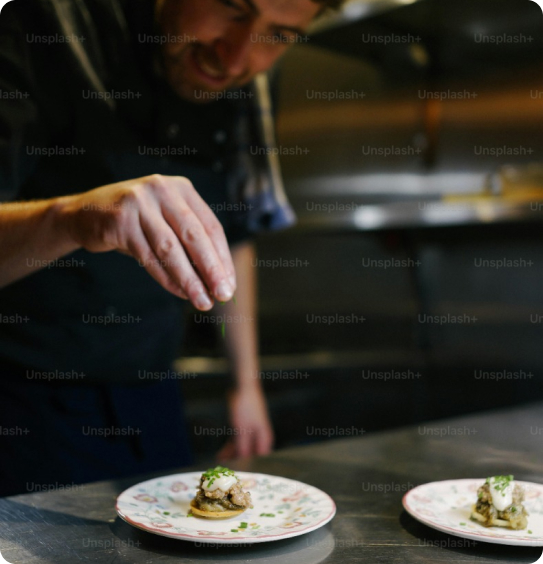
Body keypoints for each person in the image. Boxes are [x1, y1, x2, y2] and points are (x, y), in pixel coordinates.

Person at [0, 0, 344, 497]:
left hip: (156, 397)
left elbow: (232, 238)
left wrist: (244, 386)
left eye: (280, 35)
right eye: (232, 8)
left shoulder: (251, 81)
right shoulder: (44, 25)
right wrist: (70, 218)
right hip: (24, 402)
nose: (235, 57)